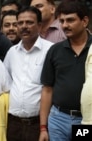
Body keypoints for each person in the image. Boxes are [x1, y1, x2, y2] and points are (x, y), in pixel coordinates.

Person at [39, 1, 92, 141]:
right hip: (58, 119)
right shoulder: (55, 50)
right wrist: (43, 128)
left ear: (84, 21)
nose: (64, 25)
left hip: (86, 119)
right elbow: (47, 89)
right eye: (61, 21)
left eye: (70, 20)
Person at [3, 6, 53, 141]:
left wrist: (44, 127)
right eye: (20, 23)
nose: (24, 26)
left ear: (40, 25)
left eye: (29, 22)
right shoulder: (12, 52)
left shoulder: (51, 50)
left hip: (38, 124)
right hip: (13, 124)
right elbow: (5, 83)